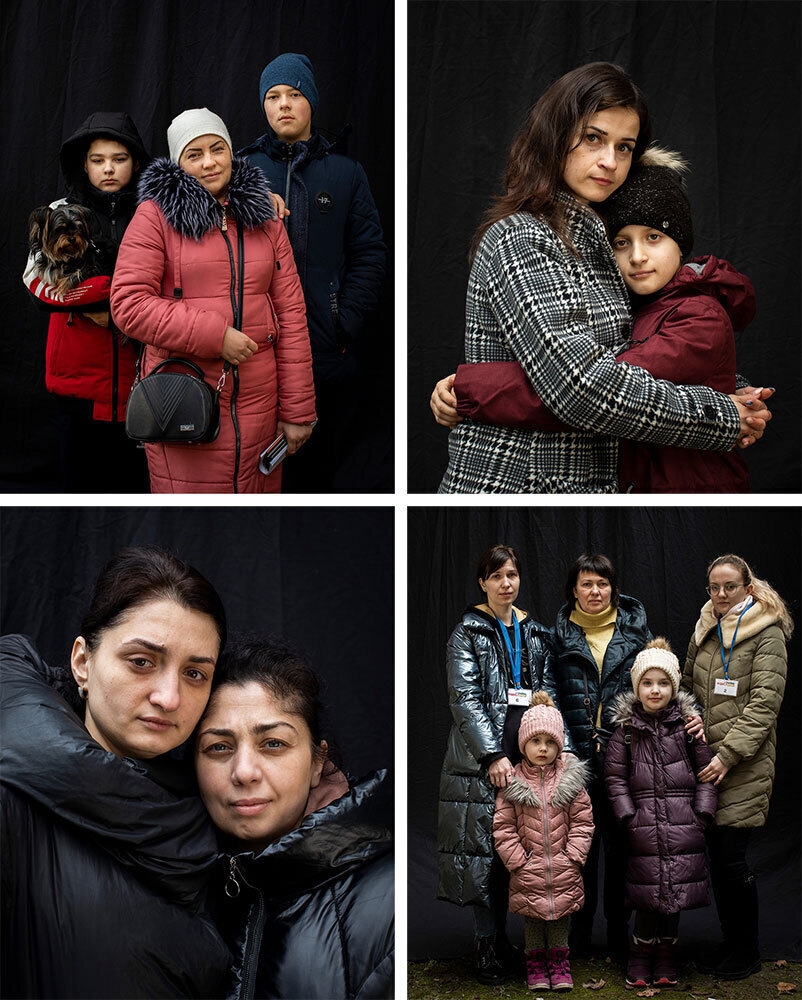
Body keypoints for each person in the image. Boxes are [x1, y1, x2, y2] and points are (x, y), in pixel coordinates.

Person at [429, 62, 772, 493]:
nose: (610, 161)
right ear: (554, 136)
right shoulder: (521, 237)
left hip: (590, 482)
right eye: (593, 138)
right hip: (520, 483)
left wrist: (738, 392)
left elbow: (640, 348)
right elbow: (579, 388)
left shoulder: (602, 244)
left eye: (625, 147)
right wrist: (721, 414)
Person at [0, 546, 232, 998]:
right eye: (142, 661)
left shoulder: (213, 811)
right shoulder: (13, 805)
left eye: (195, 674)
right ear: (83, 663)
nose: (169, 697)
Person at [110, 107, 316, 493]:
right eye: (194, 154)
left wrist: (298, 411)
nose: (209, 163)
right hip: (183, 402)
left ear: (231, 152)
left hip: (261, 409)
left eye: (217, 149)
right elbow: (128, 304)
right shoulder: (154, 216)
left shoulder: (265, 218)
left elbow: (291, 316)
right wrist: (215, 335)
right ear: (177, 162)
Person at [194, 635, 394, 999]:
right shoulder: (171, 885)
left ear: (318, 762)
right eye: (219, 747)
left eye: (273, 744)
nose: (244, 772)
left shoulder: (390, 902)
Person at [240, 53, 387, 493]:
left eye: (295, 94)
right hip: (254, 347)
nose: (284, 104)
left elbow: (370, 253)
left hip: (325, 348)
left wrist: (345, 320)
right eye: (273, 96)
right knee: (255, 471)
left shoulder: (345, 173)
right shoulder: (241, 170)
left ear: (312, 103)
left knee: (317, 475)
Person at [437, 544, 569, 985]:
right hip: (483, 759)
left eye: (511, 575)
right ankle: (487, 946)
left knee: (525, 847)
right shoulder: (467, 633)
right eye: (496, 577)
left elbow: (546, 690)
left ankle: (523, 943)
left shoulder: (536, 632)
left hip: (530, 755)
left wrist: (549, 744)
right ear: (483, 583)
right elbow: (465, 698)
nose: (505, 584)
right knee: (484, 854)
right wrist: (491, 754)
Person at [22, 112, 150, 492]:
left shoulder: (152, 211)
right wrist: (97, 295)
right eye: (98, 160)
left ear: (136, 162)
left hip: (141, 380)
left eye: (119, 159)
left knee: (137, 487)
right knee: (79, 483)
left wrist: (120, 311)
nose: (108, 169)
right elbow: (33, 282)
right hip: (77, 381)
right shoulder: (60, 209)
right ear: (84, 164)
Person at [682, 554, 792, 980]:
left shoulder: (767, 633)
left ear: (748, 587)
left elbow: (765, 704)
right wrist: (689, 714)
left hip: (742, 764)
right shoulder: (706, 626)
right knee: (716, 857)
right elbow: (689, 684)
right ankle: (731, 944)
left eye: (730, 586)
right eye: (714, 587)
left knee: (731, 859)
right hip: (706, 763)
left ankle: (747, 952)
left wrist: (728, 755)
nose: (721, 595)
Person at [549, 554, 652, 959]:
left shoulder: (636, 633)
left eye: (603, 584)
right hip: (573, 760)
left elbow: (653, 689)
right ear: (573, 589)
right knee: (578, 850)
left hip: (623, 759)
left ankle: (616, 934)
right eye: (587, 584)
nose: (595, 592)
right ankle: (579, 933)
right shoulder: (558, 635)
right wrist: (566, 750)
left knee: (622, 848)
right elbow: (549, 691)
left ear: (615, 588)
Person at [605, 638, 717, 989]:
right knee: (646, 893)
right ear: (637, 687)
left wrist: (702, 812)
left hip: (684, 826)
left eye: (664, 683)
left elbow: (708, 773)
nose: (656, 690)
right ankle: (640, 954)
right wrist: (627, 815)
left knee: (675, 894)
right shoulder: (624, 733)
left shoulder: (689, 729)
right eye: (648, 683)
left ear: (674, 686)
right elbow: (614, 777)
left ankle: (667, 954)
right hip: (644, 829)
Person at [493, 691, 594, 991]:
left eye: (550, 742)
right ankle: (536, 964)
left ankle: (560, 963)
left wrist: (574, 856)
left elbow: (583, 821)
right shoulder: (513, 783)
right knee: (533, 919)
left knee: (560, 917)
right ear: (523, 742)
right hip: (529, 869)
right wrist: (517, 862)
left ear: (559, 746)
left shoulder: (570, 781)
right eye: (536, 741)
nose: (543, 748)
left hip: (563, 867)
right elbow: (503, 827)